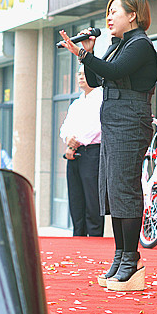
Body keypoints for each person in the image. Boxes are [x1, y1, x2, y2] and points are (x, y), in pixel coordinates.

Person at [58, 0, 157, 292]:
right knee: (114, 190)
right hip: (114, 122)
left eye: (115, 11)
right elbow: (96, 79)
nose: (109, 17)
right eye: (108, 12)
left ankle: (132, 259)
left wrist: (82, 55)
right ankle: (120, 255)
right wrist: (89, 51)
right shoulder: (118, 45)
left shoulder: (140, 44)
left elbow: (114, 72)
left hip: (130, 121)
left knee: (125, 189)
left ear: (133, 15)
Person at [59, 66, 104, 237]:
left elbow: (96, 127)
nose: (81, 77)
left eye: (85, 74)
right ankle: (78, 237)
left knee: (92, 201)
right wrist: (68, 138)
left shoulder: (101, 99)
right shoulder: (76, 103)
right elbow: (65, 128)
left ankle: (94, 239)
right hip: (74, 155)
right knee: (76, 200)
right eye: (79, 74)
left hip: (92, 152)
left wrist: (73, 144)